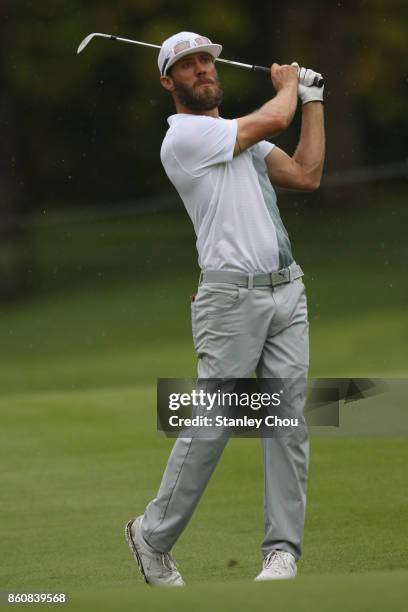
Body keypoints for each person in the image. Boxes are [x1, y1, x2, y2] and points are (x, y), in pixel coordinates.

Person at [125, 31, 325, 586]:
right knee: (214, 422)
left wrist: (312, 101)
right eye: (187, 66)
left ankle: (281, 552)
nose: (202, 70)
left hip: (288, 292)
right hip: (229, 299)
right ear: (169, 82)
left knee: (287, 423)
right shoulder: (185, 137)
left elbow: (307, 175)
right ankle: (152, 535)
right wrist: (288, 88)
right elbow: (266, 122)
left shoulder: (244, 141)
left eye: (206, 61)